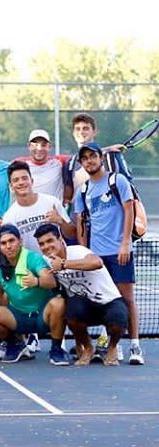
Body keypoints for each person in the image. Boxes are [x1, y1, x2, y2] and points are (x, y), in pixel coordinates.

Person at [0, 225, 69, 365]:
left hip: (42, 316)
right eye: (3, 243)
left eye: (11, 241)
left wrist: (36, 281)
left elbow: (51, 281)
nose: (8, 246)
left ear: (19, 241)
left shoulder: (33, 258)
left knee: (59, 303)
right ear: (0, 246)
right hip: (18, 318)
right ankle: (15, 344)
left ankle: (56, 350)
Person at [73, 142, 144, 364]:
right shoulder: (83, 190)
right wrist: (85, 252)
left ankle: (135, 346)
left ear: (101, 158)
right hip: (96, 257)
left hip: (119, 251)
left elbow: (129, 210)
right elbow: (81, 222)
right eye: (84, 158)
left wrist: (125, 244)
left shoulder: (117, 181)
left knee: (127, 299)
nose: (89, 161)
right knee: (106, 300)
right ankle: (115, 346)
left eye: (93, 156)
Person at [34, 223, 128, 366]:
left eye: (50, 241)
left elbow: (97, 262)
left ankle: (112, 347)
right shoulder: (46, 262)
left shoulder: (77, 251)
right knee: (71, 309)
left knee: (119, 321)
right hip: (85, 307)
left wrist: (64, 264)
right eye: (42, 244)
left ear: (60, 239)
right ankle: (88, 347)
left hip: (108, 302)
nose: (46, 246)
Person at [2, 160, 76, 253]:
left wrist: (60, 221)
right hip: (33, 266)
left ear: (31, 181)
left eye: (24, 178)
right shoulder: (9, 217)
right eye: (16, 180)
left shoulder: (51, 202)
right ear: (11, 186)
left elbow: (71, 234)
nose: (21, 182)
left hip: (59, 262)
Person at [64, 113, 129, 205]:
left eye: (85, 128)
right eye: (77, 129)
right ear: (73, 133)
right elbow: (68, 197)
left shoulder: (110, 157)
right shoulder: (70, 163)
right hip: (80, 217)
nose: (81, 132)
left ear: (94, 131)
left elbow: (127, 191)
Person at [13, 129, 71, 203]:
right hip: (30, 212)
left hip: (54, 212)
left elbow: (79, 159)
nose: (39, 148)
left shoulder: (59, 162)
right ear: (29, 146)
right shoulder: (19, 164)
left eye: (43, 145)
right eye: (35, 145)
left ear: (49, 146)